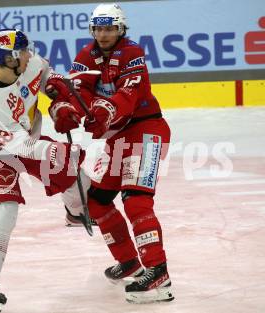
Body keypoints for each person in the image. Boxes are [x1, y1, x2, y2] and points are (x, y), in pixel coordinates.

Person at [48, 3, 174, 304]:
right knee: (97, 202)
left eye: (110, 28)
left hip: (147, 130)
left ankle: (158, 272)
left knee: (135, 199)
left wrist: (104, 111)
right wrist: (64, 111)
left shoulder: (132, 54)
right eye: (99, 28)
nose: (103, 34)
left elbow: (129, 95)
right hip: (118, 137)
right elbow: (78, 93)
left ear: (121, 29)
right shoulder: (85, 56)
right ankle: (130, 261)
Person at [0, 28, 91, 313]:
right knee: (4, 213)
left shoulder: (29, 64)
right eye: (23, 51)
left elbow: (48, 76)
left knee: (73, 171)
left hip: (27, 138)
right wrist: (52, 151)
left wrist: (59, 99)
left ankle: (75, 212)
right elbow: (20, 147)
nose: (30, 54)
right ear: (11, 58)